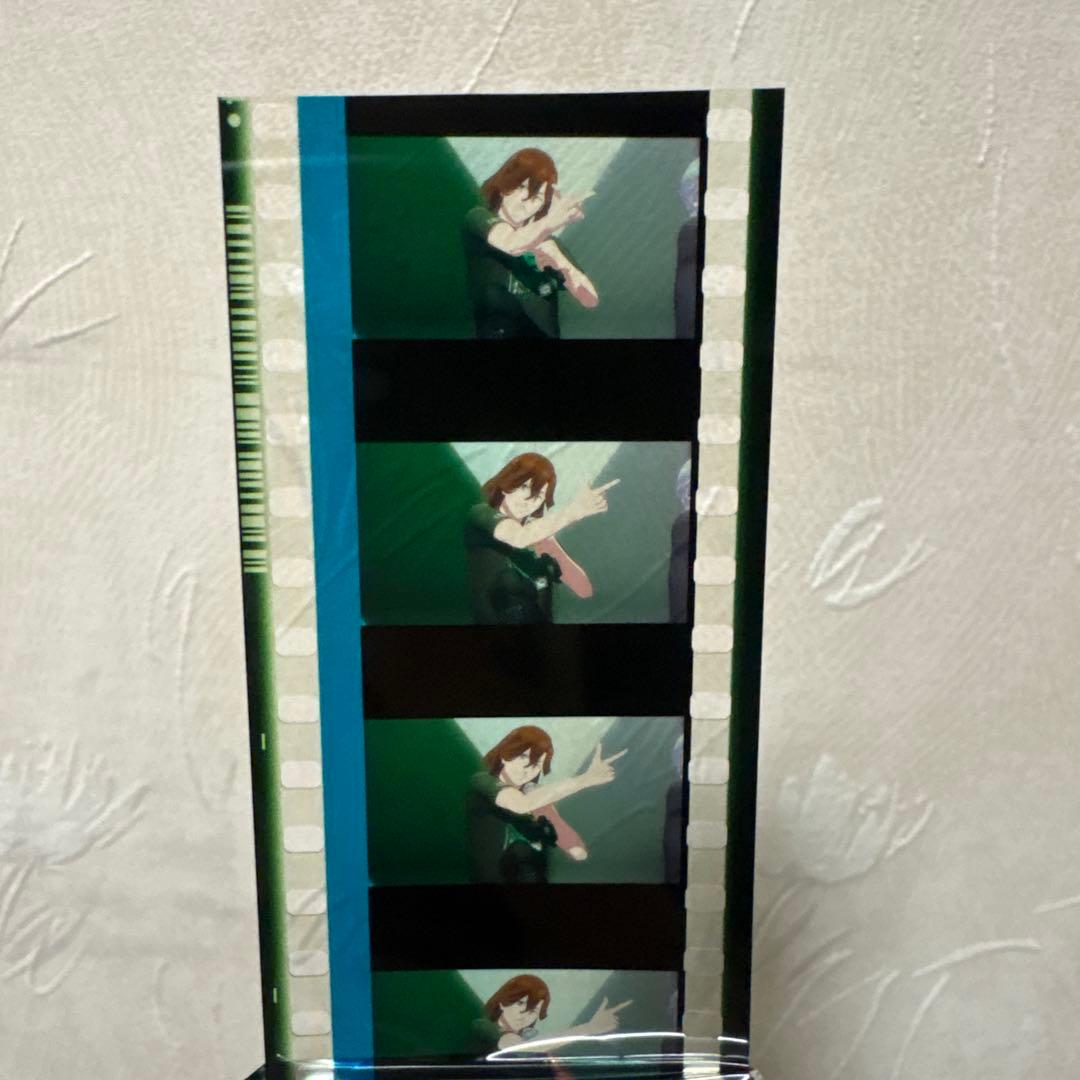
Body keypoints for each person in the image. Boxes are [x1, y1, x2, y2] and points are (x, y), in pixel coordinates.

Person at [464, 452, 619, 625]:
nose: (528, 499)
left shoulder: (538, 532)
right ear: (508, 482)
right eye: (524, 487)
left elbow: (583, 589)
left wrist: (550, 548)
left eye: (538, 496)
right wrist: (573, 512)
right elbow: (518, 537)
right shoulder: (481, 513)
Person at [463, 148, 599, 338]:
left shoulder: (550, 244)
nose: (525, 200)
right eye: (521, 187)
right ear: (504, 184)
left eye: (536, 197)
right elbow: (511, 243)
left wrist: (562, 265)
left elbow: (590, 300)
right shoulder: (478, 217)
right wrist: (555, 219)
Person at [466, 725, 627, 883]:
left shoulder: (531, 791)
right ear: (505, 755)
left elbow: (574, 847)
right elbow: (520, 804)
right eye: (523, 757)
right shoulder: (483, 780)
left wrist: (571, 844)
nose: (527, 768)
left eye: (536, 764)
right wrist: (584, 780)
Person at [471, 973, 632, 1055]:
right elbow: (518, 1047)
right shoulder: (486, 1026)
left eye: (533, 1011)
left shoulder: (524, 1035)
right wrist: (589, 1028)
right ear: (503, 1001)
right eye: (520, 1003)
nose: (524, 1014)